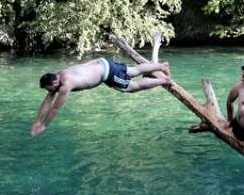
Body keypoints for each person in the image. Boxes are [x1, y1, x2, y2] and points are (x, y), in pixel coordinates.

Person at [32, 58, 172, 136]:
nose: (50, 92)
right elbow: (48, 100)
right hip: (102, 62)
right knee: (134, 70)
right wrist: (37, 121)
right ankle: (161, 66)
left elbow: (54, 109)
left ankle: (163, 80)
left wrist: (43, 126)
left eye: (49, 89)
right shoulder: (59, 74)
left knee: (132, 87)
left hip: (107, 73)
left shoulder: (66, 84)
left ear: (54, 83)